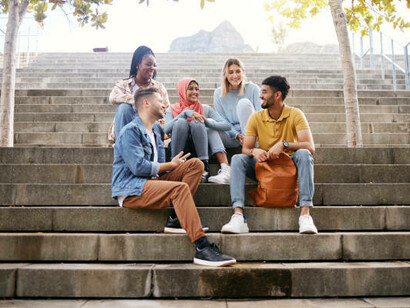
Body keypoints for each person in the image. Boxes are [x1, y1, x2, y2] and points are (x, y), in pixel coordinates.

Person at [112, 87, 236, 267]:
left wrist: (173, 167)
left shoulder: (155, 129)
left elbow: (160, 170)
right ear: (146, 103)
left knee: (196, 165)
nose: (164, 104)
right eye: (159, 100)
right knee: (180, 189)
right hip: (131, 188)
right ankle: (202, 247)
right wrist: (171, 166)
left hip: (151, 182)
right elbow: (138, 168)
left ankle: (176, 218)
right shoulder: (130, 131)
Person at [221, 75, 318, 235]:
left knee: (304, 154)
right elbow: (246, 149)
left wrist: (284, 144)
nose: (260, 95)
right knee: (238, 158)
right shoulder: (256, 117)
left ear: (277, 95)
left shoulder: (295, 114)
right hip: (264, 165)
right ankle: (238, 216)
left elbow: (310, 147)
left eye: (264, 92)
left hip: (289, 165)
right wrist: (254, 151)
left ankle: (305, 215)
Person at [164, 78, 232, 183]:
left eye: (197, 89)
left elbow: (227, 125)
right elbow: (166, 129)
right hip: (180, 149)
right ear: (182, 90)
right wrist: (184, 114)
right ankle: (175, 167)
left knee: (197, 121)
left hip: (200, 149)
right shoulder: (172, 109)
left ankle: (204, 168)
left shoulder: (204, 108)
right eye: (190, 89)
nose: (195, 92)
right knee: (180, 122)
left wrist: (207, 122)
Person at [108, 45, 170, 142]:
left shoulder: (158, 87)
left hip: (149, 128)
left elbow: (166, 110)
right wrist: (138, 101)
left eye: (154, 65)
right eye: (148, 64)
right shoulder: (124, 84)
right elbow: (113, 97)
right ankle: (123, 146)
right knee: (123, 108)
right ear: (137, 65)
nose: (152, 68)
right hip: (127, 124)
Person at [212, 57, 262, 150]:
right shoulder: (218, 93)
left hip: (253, 135)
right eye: (231, 72)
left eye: (238, 71)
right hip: (232, 136)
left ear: (243, 72)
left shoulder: (253, 89)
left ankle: (250, 145)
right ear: (225, 74)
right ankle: (223, 163)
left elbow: (261, 113)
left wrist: (249, 135)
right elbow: (223, 121)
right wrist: (237, 135)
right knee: (209, 126)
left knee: (243, 103)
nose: (235, 76)